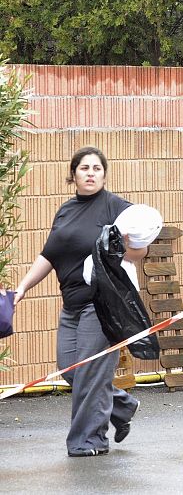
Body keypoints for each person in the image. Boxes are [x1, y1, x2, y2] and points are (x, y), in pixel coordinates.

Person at [14, 147, 146, 457]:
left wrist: (129, 246)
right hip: (71, 304)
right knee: (70, 368)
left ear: (104, 174)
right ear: (73, 174)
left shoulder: (116, 208)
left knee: (89, 371)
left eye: (97, 168)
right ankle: (122, 406)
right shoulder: (66, 210)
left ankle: (90, 440)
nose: (90, 173)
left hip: (101, 304)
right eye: (84, 168)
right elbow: (48, 256)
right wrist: (22, 288)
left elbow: (139, 250)